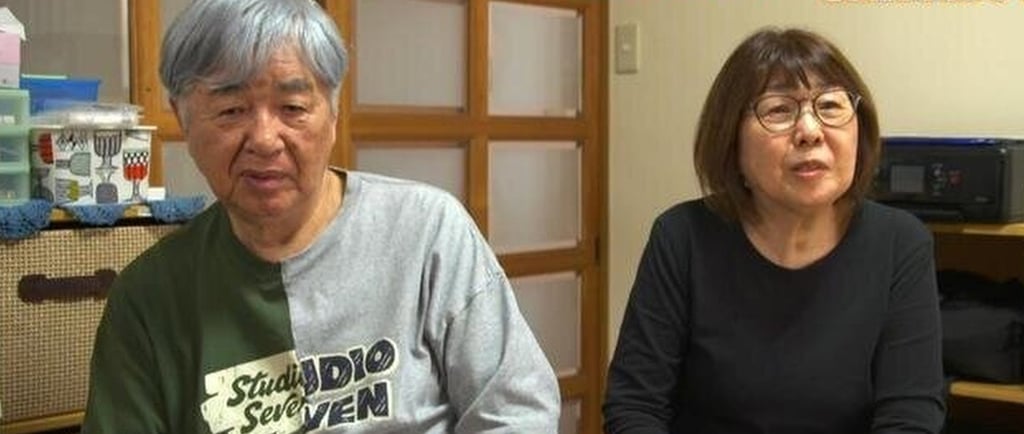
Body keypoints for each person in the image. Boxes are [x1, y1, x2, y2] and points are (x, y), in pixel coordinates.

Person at [82, 0, 560, 432]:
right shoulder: (149, 297)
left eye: (292, 107)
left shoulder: (428, 233)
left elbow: (518, 411)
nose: (264, 139)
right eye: (231, 110)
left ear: (333, 112)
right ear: (182, 118)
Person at [604, 27, 945, 433]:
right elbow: (635, 406)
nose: (810, 131)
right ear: (731, 139)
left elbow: (910, 417)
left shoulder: (900, 243)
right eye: (779, 110)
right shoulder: (682, 237)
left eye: (830, 106)